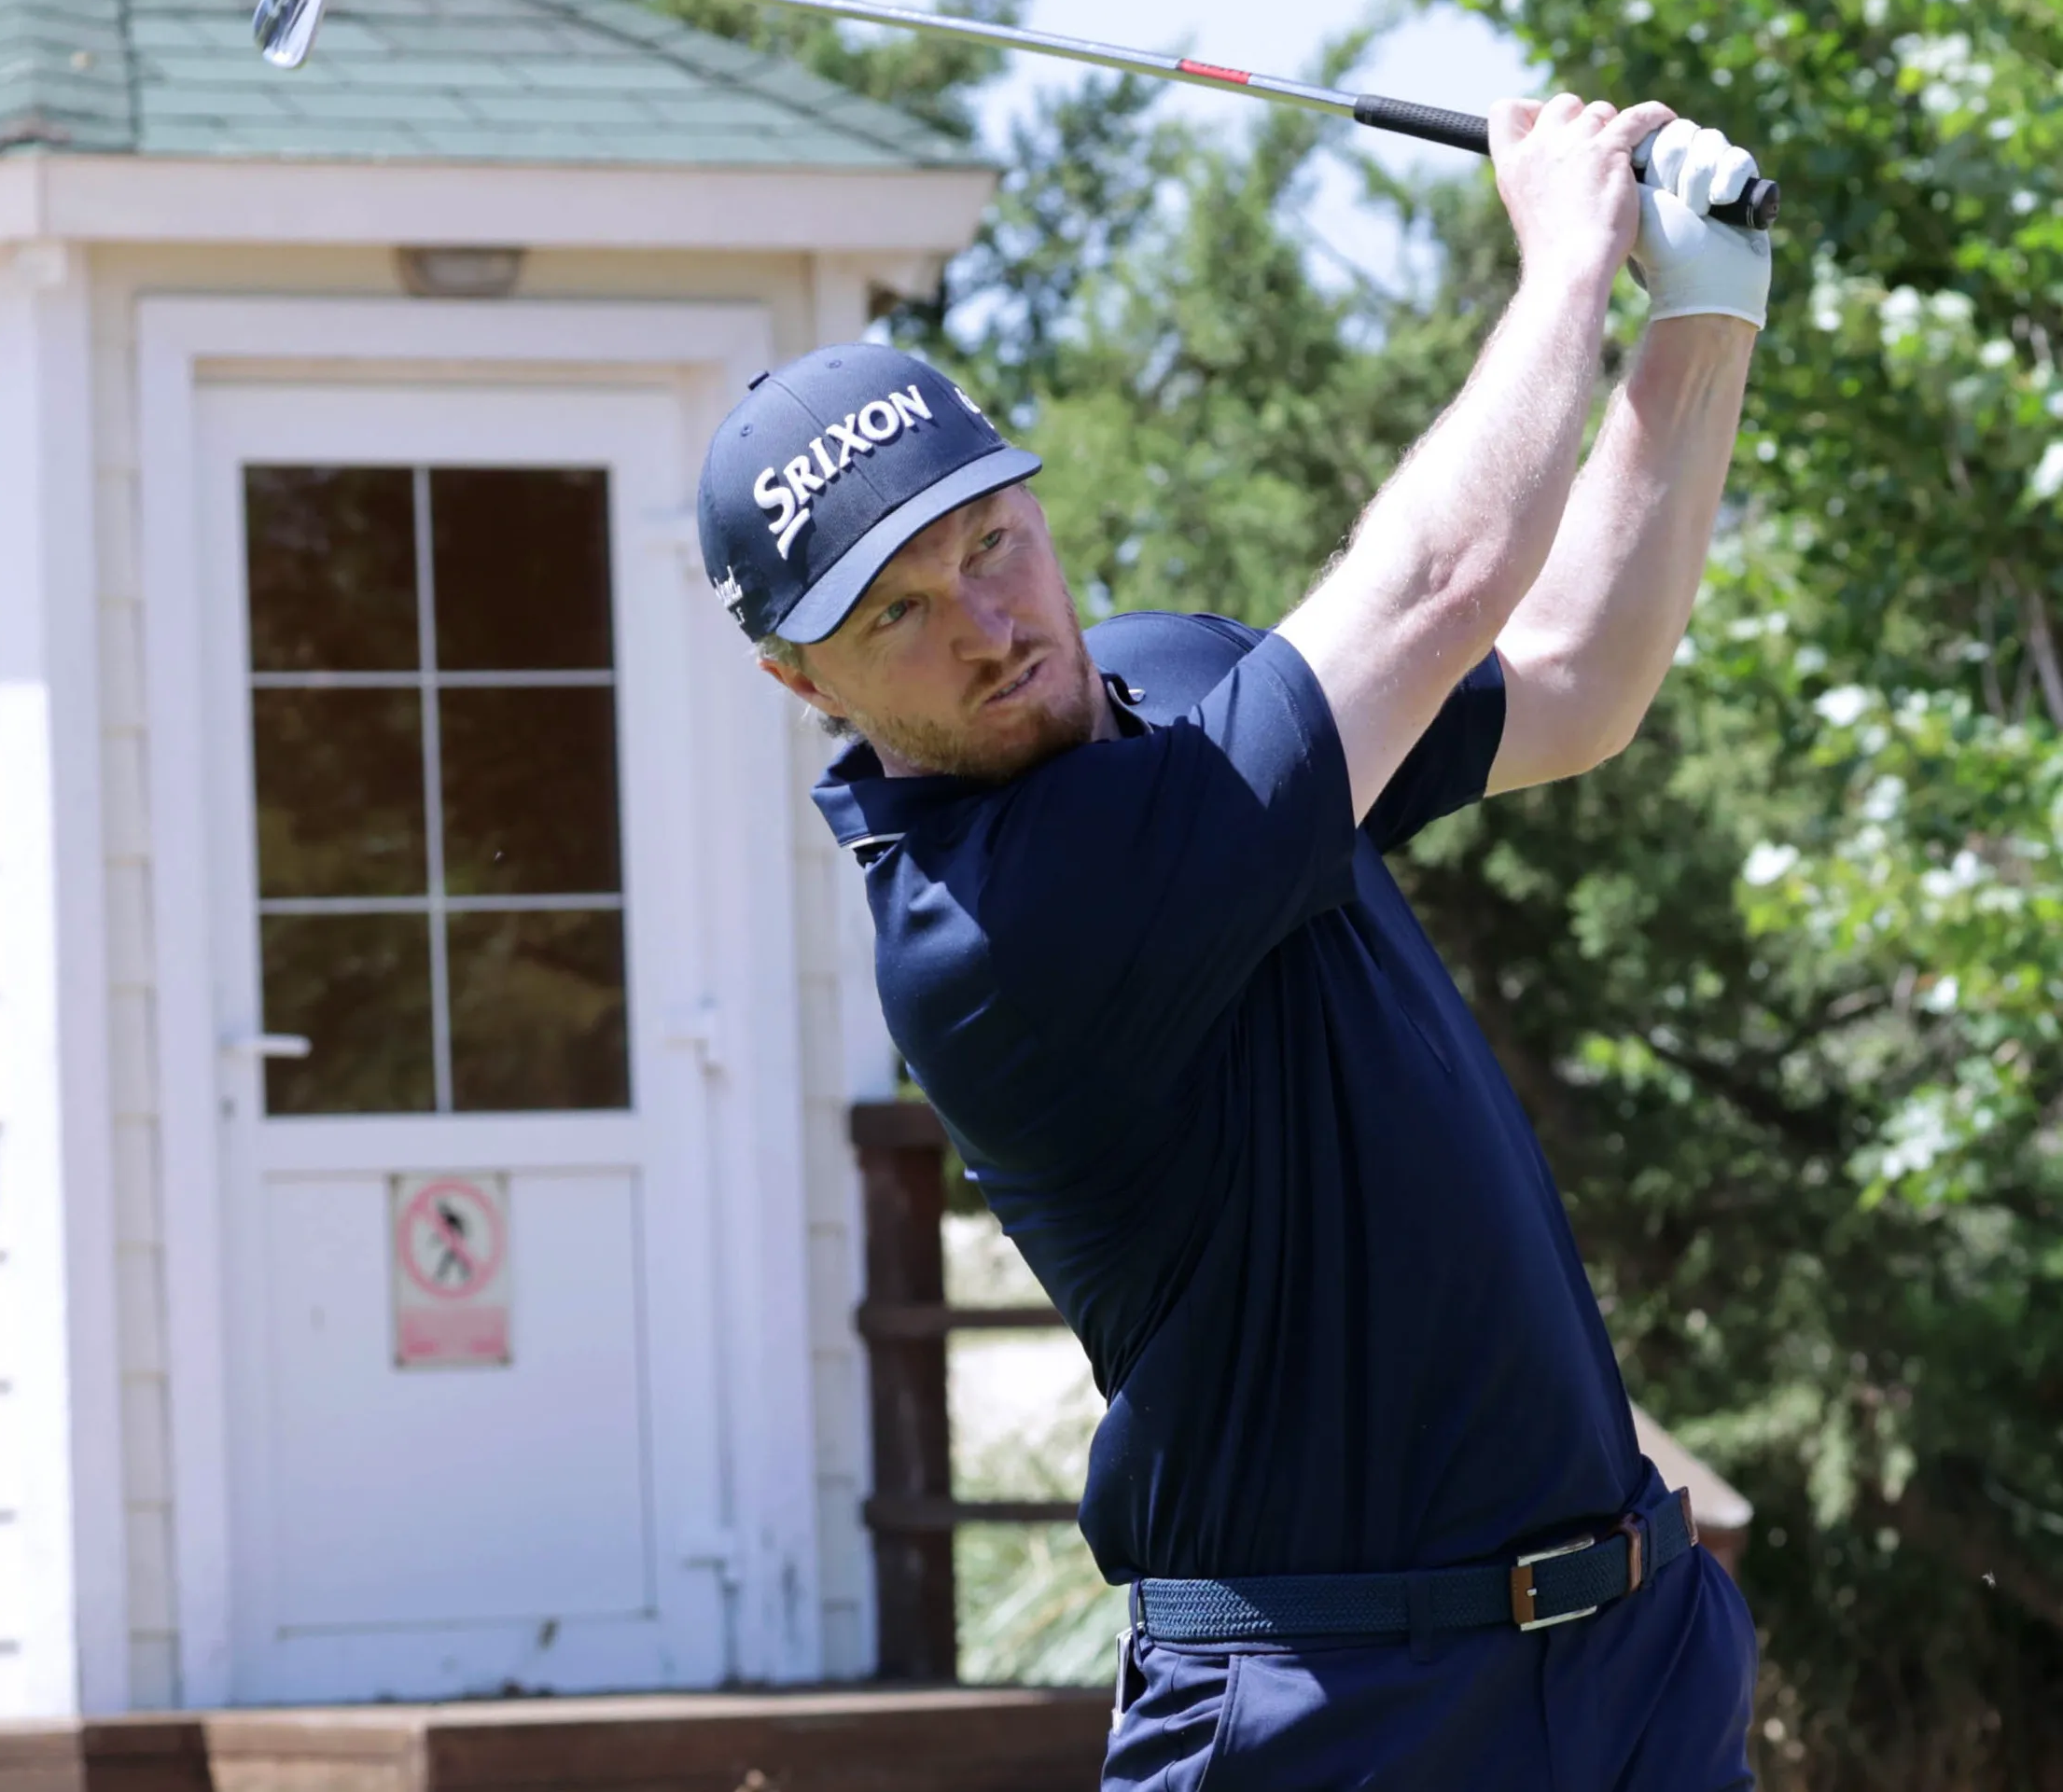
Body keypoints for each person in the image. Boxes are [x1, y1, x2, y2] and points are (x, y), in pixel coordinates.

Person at [697, 94, 1771, 1791]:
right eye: (899, 610)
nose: (988, 627)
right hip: (1334, 1708)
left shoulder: (1180, 681)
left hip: (1631, 1656)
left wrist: (1703, 316)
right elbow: (1437, 582)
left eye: (991, 544)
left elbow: (1575, 680)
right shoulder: (994, 930)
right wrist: (1570, 260)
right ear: (798, 678)